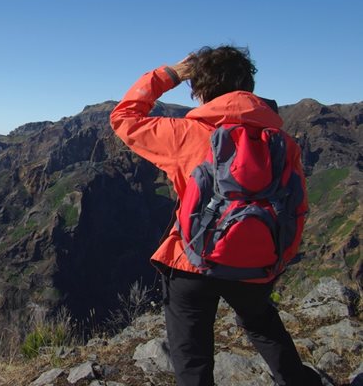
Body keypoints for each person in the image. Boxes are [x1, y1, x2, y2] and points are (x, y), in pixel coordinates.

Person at [109, 46, 322, 385]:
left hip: (192, 261)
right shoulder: (283, 142)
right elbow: (296, 206)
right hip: (256, 261)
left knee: (192, 355)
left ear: (202, 90)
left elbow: (124, 117)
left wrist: (171, 73)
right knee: (263, 324)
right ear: (248, 86)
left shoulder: (185, 135)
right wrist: (279, 258)